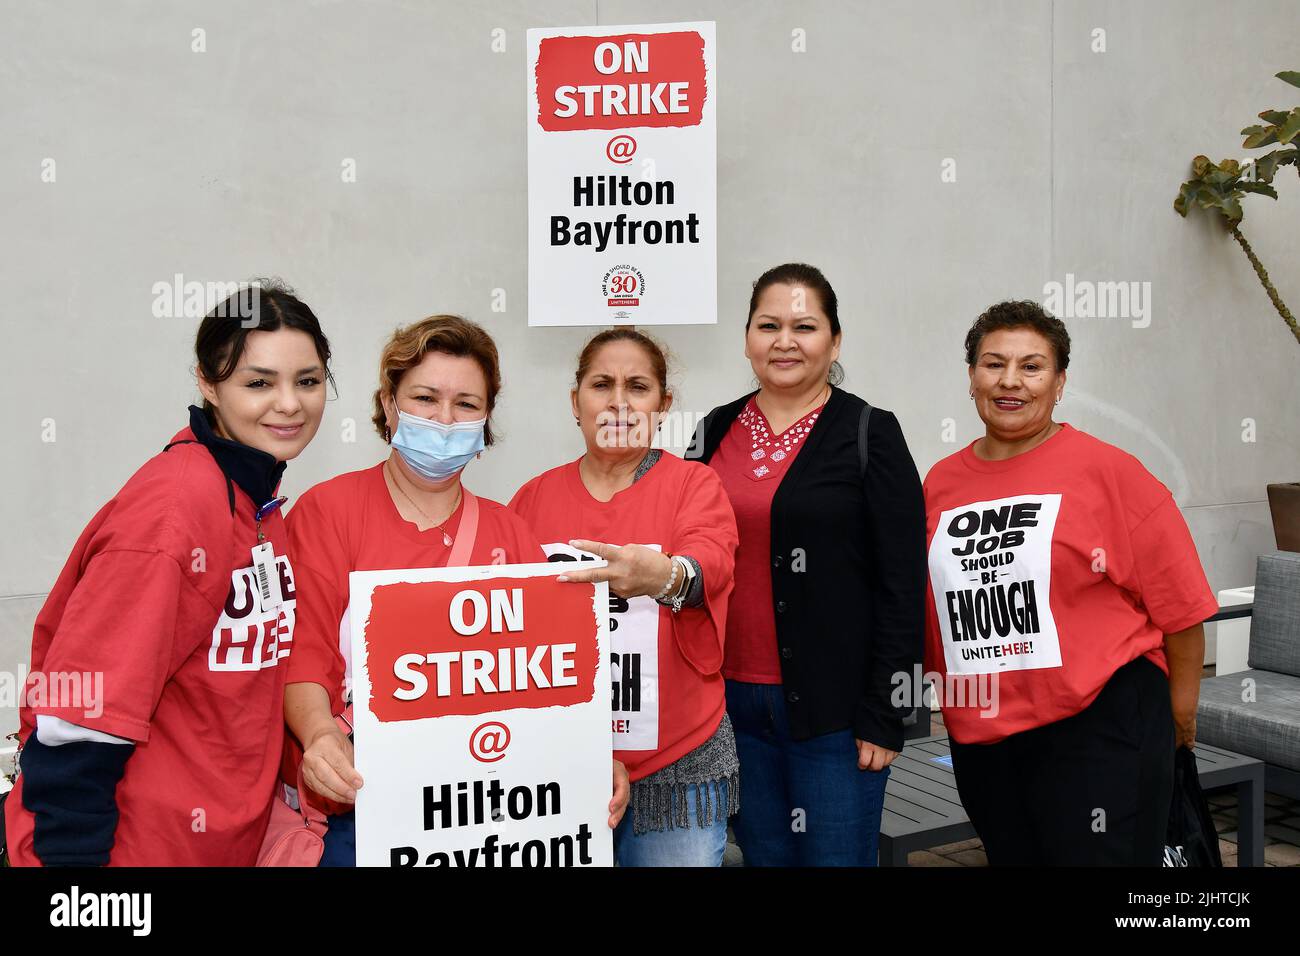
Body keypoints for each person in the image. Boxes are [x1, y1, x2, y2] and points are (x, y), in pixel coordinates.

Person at [3, 281, 331, 865]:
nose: (290, 403)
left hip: (217, 842)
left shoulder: (255, 494)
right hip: (131, 853)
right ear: (208, 382)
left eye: (307, 381)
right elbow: (80, 723)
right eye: (258, 382)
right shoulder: (175, 512)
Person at [283, 315, 630, 866]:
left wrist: (588, 757)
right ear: (390, 404)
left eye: (466, 404)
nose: (445, 420)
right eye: (425, 397)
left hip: (490, 815)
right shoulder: (328, 513)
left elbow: (547, 677)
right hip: (365, 805)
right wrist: (320, 735)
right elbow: (303, 655)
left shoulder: (509, 531)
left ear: (486, 419)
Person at [923, 299, 1218, 865]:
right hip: (986, 736)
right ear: (971, 377)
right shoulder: (941, 482)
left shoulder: (1110, 472)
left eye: (1032, 366)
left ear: (1060, 383)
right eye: (993, 363)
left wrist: (1180, 720)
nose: (1011, 381)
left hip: (1101, 728)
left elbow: (1181, 611)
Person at [688, 262, 927, 866]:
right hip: (731, 706)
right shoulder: (713, 430)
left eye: (805, 326)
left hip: (836, 715)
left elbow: (904, 583)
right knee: (765, 859)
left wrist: (889, 713)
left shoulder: (871, 432)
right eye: (768, 325)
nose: (784, 341)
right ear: (747, 338)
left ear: (835, 340)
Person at [509, 329, 740, 867]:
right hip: (557, 764)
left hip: (677, 764)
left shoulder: (693, 484)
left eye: (637, 387)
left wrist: (664, 576)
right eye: (601, 385)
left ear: (664, 404)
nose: (618, 401)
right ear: (576, 402)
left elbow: (713, 562)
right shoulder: (531, 498)